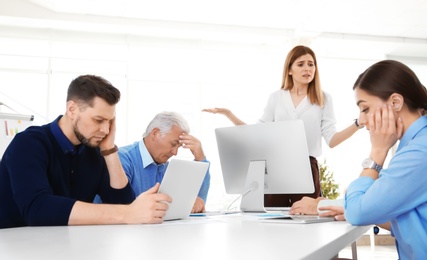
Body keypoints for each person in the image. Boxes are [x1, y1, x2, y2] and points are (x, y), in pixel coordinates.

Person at [290, 60, 427, 259]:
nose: (361, 121)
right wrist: (346, 204)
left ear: (395, 102)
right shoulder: (415, 143)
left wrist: (377, 153)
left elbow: (358, 212)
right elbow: (414, 220)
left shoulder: (419, 151)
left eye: (365, 109)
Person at [0, 75, 172, 229]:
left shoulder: (94, 151)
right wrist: (127, 213)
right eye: (99, 120)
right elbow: (37, 208)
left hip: (66, 246)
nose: (105, 129)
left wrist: (109, 150)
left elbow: (123, 202)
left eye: (110, 121)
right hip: (14, 245)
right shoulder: (29, 143)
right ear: (72, 110)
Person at [203, 45, 362, 207]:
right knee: (273, 218)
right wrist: (229, 114)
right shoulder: (276, 98)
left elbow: (332, 140)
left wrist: (357, 124)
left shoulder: (324, 99)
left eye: (311, 64)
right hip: (276, 167)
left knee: (304, 216)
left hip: (306, 168)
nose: (307, 68)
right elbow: (256, 132)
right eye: (301, 64)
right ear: (290, 70)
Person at [95, 111, 211, 213]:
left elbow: (199, 200)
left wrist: (200, 158)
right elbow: (119, 206)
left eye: (179, 147)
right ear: (155, 133)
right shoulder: (121, 159)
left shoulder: (167, 167)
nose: (175, 152)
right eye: (173, 144)